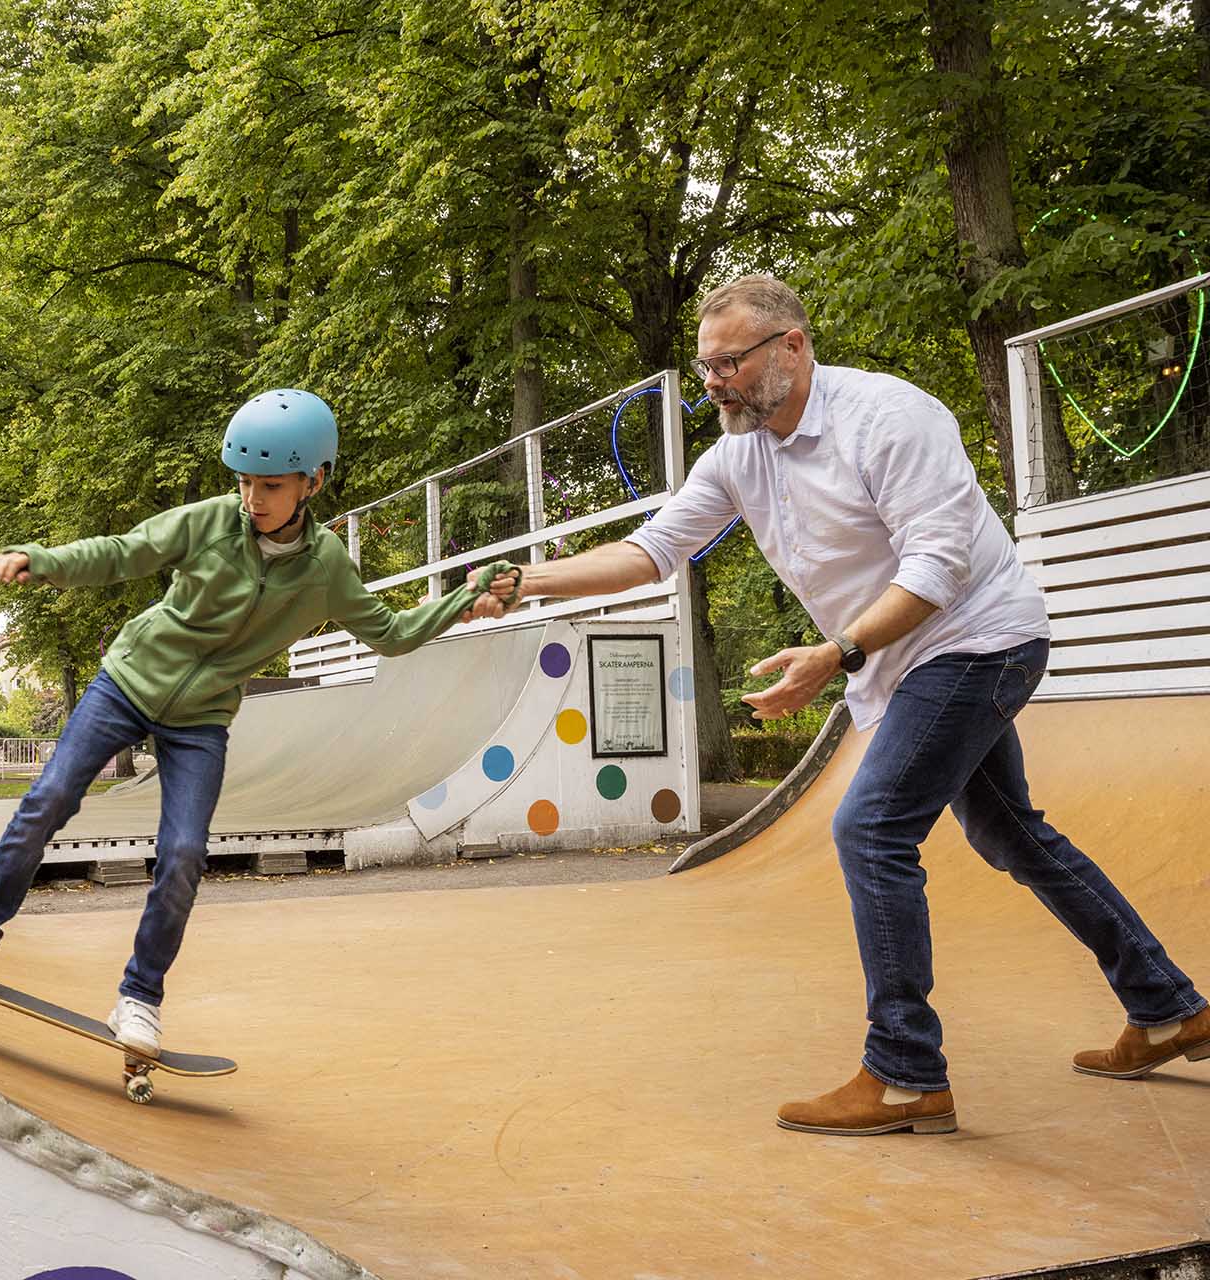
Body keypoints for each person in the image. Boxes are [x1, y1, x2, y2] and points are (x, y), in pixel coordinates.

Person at [474, 274, 1206, 1136]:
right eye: (705, 366)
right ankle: (1166, 1007)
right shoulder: (736, 456)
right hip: (902, 662)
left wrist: (834, 656)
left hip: (980, 640)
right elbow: (652, 551)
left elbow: (941, 567)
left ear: (792, 346)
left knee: (871, 825)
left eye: (731, 363)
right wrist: (527, 584)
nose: (714, 382)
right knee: (1009, 831)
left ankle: (905, 1073)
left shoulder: (891, 418)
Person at [0, 389, 518, 1056]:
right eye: (243, 482)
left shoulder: (326, 570)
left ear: (312, 481)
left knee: (182, 856)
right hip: (128, 682)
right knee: (51, 798)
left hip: (201, 718)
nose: (252, 499)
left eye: (270, 485)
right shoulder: (207, 523)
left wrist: (466, 600)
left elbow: (391, 632)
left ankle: (139, 998)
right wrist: (47, 561)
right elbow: (124, 552)